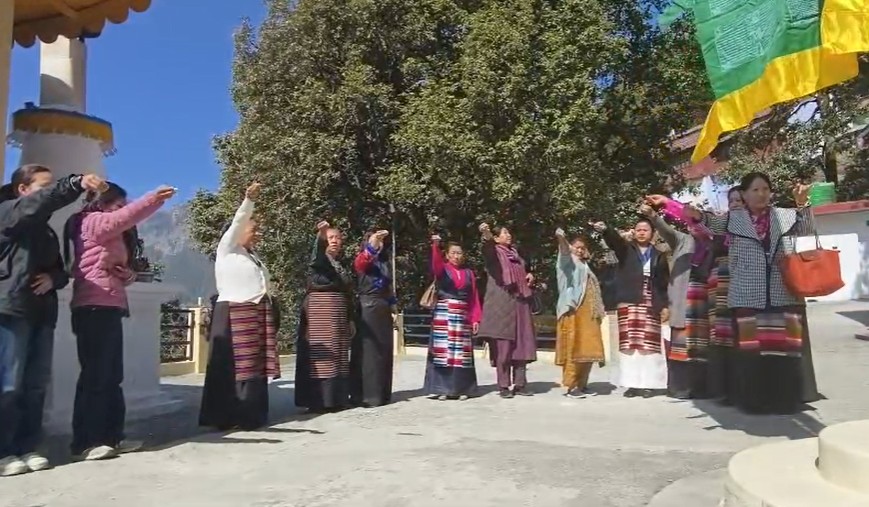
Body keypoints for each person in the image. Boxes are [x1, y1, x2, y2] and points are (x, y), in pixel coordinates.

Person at [657, 173, 819, 414]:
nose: (761, 194)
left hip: (781, 292)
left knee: (782, 349)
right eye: (755, 189)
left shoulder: (783, 215)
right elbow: (707, 221)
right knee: (752, 350)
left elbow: (806, 228)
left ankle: (784, 401)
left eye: (766, 189)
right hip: (747, 295)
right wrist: (681, 209)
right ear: (743, 194)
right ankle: (754, 401)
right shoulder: (735, 219)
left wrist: (803, 203)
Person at [0, 167, 105, 476]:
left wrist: (52, 278)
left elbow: (61, 270)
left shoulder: (45, 231)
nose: (47, 193)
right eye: (43, 187)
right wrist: (74, 184)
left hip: (41, 314)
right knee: (8, 385)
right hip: (10, 308)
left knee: (35, 385)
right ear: (23, 189)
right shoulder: (9, 212)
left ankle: (27, 446)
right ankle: (4, 451)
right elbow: (42, 202)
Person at [66, 181, 175, 461]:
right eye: (118, 203)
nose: (122, 208)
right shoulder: (91, 222)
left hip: (110, 305)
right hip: (92, 306)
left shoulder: (110, 233)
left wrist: (126, 275)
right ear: (102, 202)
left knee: (112, 376)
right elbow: (123, 218)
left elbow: (121, 268)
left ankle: (112, 436)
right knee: (96, 376)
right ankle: (87, 441)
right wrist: (153, 198)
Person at [199, 182, 280, 430]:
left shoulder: (251, 256)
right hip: (232, 312)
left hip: (254, 311)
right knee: (232, 366)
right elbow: (238, 222)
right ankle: (227, 416)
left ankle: (251, 415)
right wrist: (249, 201)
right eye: (253, 229)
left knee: (253, 364)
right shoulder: (227, 249)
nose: (257, 233)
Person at [655, 186, 744, 403]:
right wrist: (667, 204)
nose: (735, 204)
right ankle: (724, 390)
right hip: (717, 288)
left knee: (743, 337)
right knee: (722, 337)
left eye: (740, 200)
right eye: (731, 200)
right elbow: (694, 217)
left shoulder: (757, 222)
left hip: (745, 283)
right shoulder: (715, 231)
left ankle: (744, 389)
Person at [640, 202, 714, 400]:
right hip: (683, 300)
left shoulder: (713, 244)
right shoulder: (683, 241)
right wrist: (653, 216)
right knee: (681, 344)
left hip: (704, 301)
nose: (692, 227)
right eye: (689, 223)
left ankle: (702, 389)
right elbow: (666, 230)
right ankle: (680, 388)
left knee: (701, 346)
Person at [591, 216, 670, 398]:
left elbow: (663, 283)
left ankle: (649, 384)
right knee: (630, 345)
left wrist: (665, 305)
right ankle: (632, 384)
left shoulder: (659, 255)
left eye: (646, 229)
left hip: (651, 302)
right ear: (634, 232)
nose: (642, 232)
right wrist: (605, 229)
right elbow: (614, 241)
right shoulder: (626, 250)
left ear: (653, 233)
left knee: (649, 346)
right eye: (639, 229)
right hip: (629, 300)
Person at [295, 221, 354, 412]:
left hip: (338, 310)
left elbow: (347, 291)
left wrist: (350, 317)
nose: (335, 241)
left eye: (338, 237)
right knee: (322, 355)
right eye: (331, 238)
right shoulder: (320, 260)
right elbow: (318, 254)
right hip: (321, 309)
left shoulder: (339, 264)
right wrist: (320, 235)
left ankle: (336, 398)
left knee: (338, 354)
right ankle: (319, 400)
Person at [477, 224, 537, 399]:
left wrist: (530, 275)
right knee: (503, 347)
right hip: (501, 304)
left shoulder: (516, 255)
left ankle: (520, 384)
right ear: (496, 238)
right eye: (504, 233)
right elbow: (487, 249)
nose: (508, 235)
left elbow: (525, 271)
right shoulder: (494, 254)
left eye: (508, 232)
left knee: (522, 345)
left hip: (520, 303)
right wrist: (487, 234)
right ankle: (503, 385)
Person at [423, 235, 482, 400]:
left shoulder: (469, 273)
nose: (457, 256)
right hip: (444, 314)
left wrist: (476, 318)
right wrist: (435, 245)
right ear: (447, 255)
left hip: (462, 317)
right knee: (444, 353)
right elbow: (435, 264)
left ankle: (462, 389)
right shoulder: (443, 270)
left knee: (461, 354)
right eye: (453, 253)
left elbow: (474, 297)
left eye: (459, 253)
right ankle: (442, 388)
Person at [554, 229, 605, 398]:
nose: (580, 250)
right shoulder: (567, 263)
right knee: (573, 349)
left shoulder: (585, 266)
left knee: (587, 349)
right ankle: (570, 386)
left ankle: (582, 384)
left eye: (583, 248)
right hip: (573, 311)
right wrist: (562, 238)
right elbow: (564, 252)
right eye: (577, 247)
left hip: (588, 313)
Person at [350, 229, 396, 407]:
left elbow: (387, 285)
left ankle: (381, 393)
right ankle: (365, 395)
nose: (380, 244)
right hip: (367, 308)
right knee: (369, 353)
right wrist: (372, 243)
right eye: (377, 240)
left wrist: (392, 304)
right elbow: (362, 263)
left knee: (383, 352)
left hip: (382, 308)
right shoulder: (363, 258)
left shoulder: (384, 262)